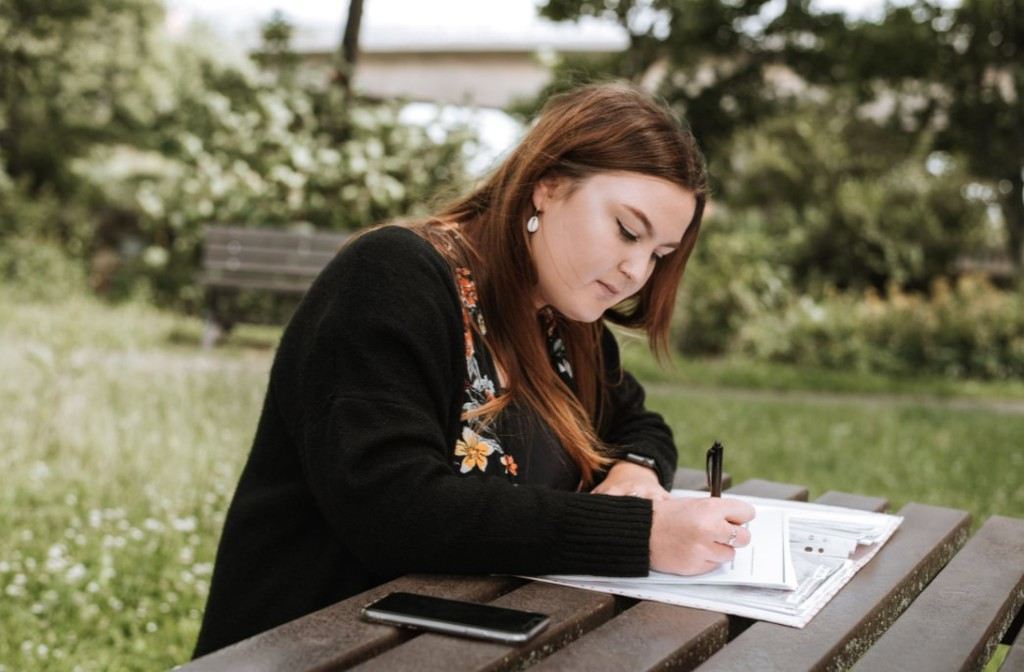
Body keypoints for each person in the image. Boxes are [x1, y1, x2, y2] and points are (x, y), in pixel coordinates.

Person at [192, 81, 755, 658]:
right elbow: (395, 508)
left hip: (462, 642)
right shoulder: (393, 278)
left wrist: (635, 472)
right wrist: (644, 535)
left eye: (659, 254)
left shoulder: (565, 322)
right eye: (627, 231)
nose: (637, 271)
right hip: (320, 646)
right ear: (549, 185)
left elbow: (639, 423)